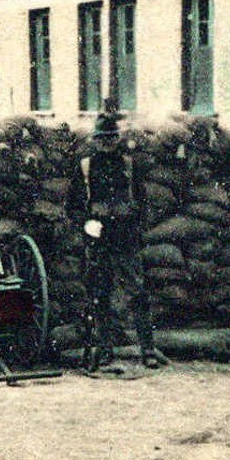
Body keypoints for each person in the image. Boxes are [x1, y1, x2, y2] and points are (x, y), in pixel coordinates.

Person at [68, 112, 161, 370]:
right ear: (94, 140)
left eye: (111, 138)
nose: (106, 143)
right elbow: (73, 205)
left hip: (125, 236)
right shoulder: (85, 167)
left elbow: (143, 202)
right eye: (102, 138)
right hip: (98, 237)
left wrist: (137, 227)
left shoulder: (129, 165)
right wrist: (86, 224)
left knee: (137, 293)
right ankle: (106, 349)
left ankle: (148, 350)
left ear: (117, 139)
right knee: (100, 294)